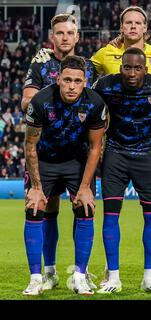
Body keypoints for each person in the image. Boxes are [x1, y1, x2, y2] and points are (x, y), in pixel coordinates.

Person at [32, 6, 151, 288]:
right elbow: (80, 78)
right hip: (113, 148)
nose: (133, 27)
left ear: (146, 27)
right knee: (100, 212)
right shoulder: (102, 61)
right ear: (121, 28)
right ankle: (111, 273)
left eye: (138, 23)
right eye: (128, 23)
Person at [92, 47, 151, 294]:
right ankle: (113, 277)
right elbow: (85, 101)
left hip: (147, 156)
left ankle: (149, 277)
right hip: (115, 155)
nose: (131, 72)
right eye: (127, 67)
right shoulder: (105, 85)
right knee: (110, 215)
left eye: (137, 68)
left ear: (145, 70)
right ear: (120, 68)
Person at [22, 13, 96, 292]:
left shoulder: (89, 66)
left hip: (77, 153)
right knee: (43, 207)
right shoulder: (40, 65)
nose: (65, 37)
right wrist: (51, 100)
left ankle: (81, 272)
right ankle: (48, 272)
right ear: (52, 37)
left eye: (70, 33)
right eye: (59, 33)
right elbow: (26, 102)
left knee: (84, 207)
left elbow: (96, 102)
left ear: (78, 37)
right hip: (44, 152)